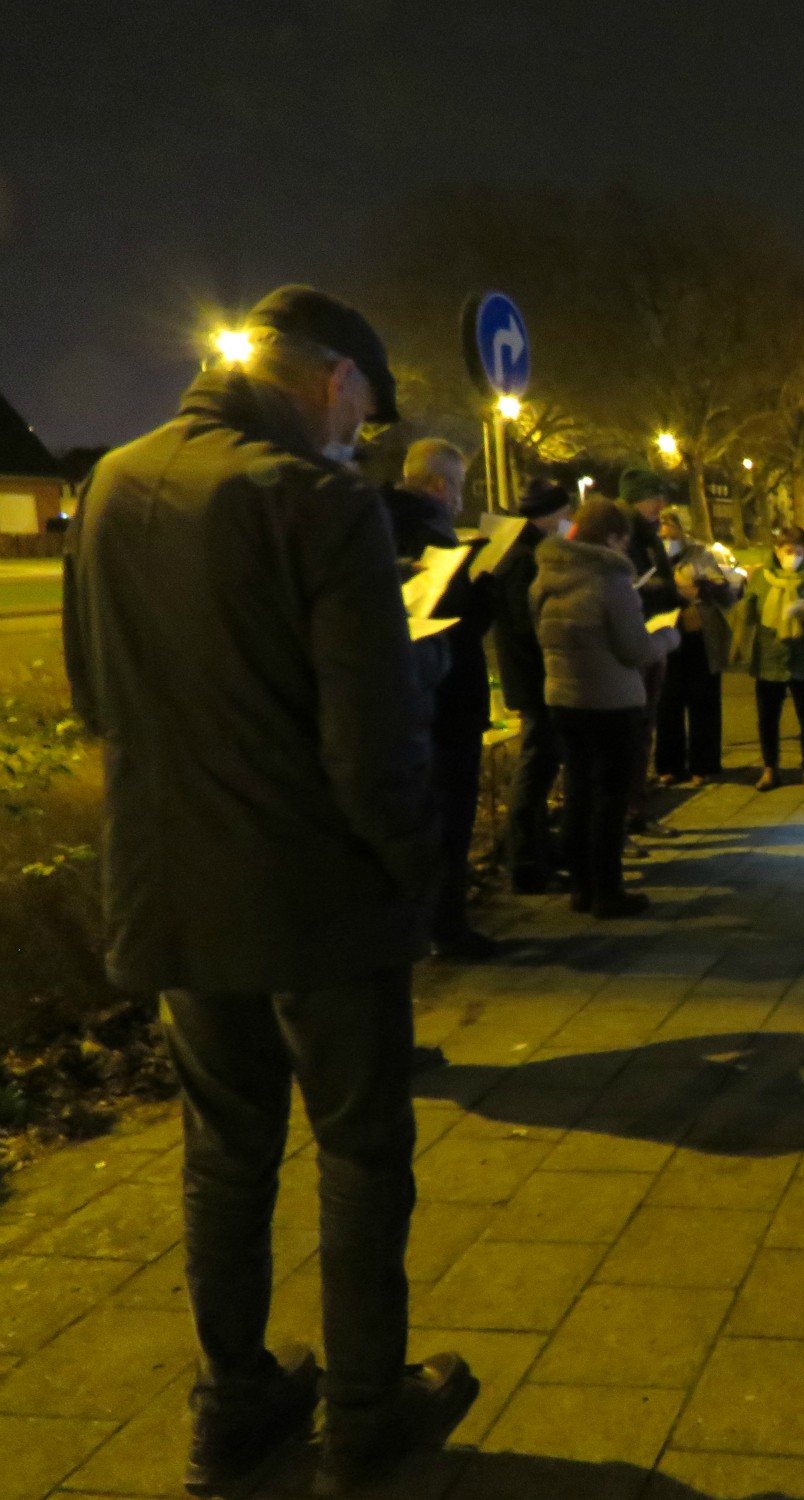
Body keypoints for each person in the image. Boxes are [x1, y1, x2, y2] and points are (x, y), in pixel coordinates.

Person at [62, 284, 475, 1496]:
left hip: (172, 888)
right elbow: (371, 738)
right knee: (358, 1151)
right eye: (363, 406)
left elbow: (96, 697)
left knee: (223, 1153)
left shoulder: (113, 487)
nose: (363, 432)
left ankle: (230, 1397)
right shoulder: (319, 502)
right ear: (333, 379)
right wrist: (417, 869)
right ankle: (361, 1410)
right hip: (316, 897)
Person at [531, 496, 676, 918]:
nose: (623, 551)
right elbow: (634, 650)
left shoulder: (545, 577)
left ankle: (582, 886)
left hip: (563, 696)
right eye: (622, 542)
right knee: (610, 798)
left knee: (578, 792)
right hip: (612, 701)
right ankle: (608, 891)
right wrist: (667, 637)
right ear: (612, 538)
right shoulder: (610, 582)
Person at [384, 439, 499, 961]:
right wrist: (488, 591)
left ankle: (430, 922)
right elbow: (457, 625)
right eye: (456, 487)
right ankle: (446, 926)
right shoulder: (429, 533)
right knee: (450, 816)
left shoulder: (379, 522)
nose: (458, 499)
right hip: (449, 695)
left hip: (414, 698)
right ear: (436, 485)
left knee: (427, 816)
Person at [489, 479, 575, 894]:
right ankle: (524, 862)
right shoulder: (524, 559)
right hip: (534, 678)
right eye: (565, 514)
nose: (568, 522)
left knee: (539, 765)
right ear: (550, 514)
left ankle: (533, 850)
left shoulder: (522, 551)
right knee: (536, 767)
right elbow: (528, 624)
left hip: (533, 676)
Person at [736, 526, 804, 792]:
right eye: (788, 551)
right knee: (768, 718)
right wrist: (740, 606)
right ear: (777, 550)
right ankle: (770, 769)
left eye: (798, 551)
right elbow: (749, 610)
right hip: (769, 658)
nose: (793, 556)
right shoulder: (761, 577)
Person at [655, 507, 737, 788]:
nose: (666, 530)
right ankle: (669, 765)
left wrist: (699, 591)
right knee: (667, 702)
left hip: (698, 636)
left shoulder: (701, 554)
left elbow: (725, 592)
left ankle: (704, 764)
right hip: (664, 634)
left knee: (703, 701)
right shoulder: (652, 554)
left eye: (672, 525)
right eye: (662, 524)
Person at [615, 468, 676, 825]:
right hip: (637, 644)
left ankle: (636, 806)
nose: (661, 504)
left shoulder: (648, 535)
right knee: (633, 731)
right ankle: (628, 810)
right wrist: (659, 590)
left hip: (653, 636)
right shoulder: (628, 533)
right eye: (655, 496)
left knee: (644, 728)